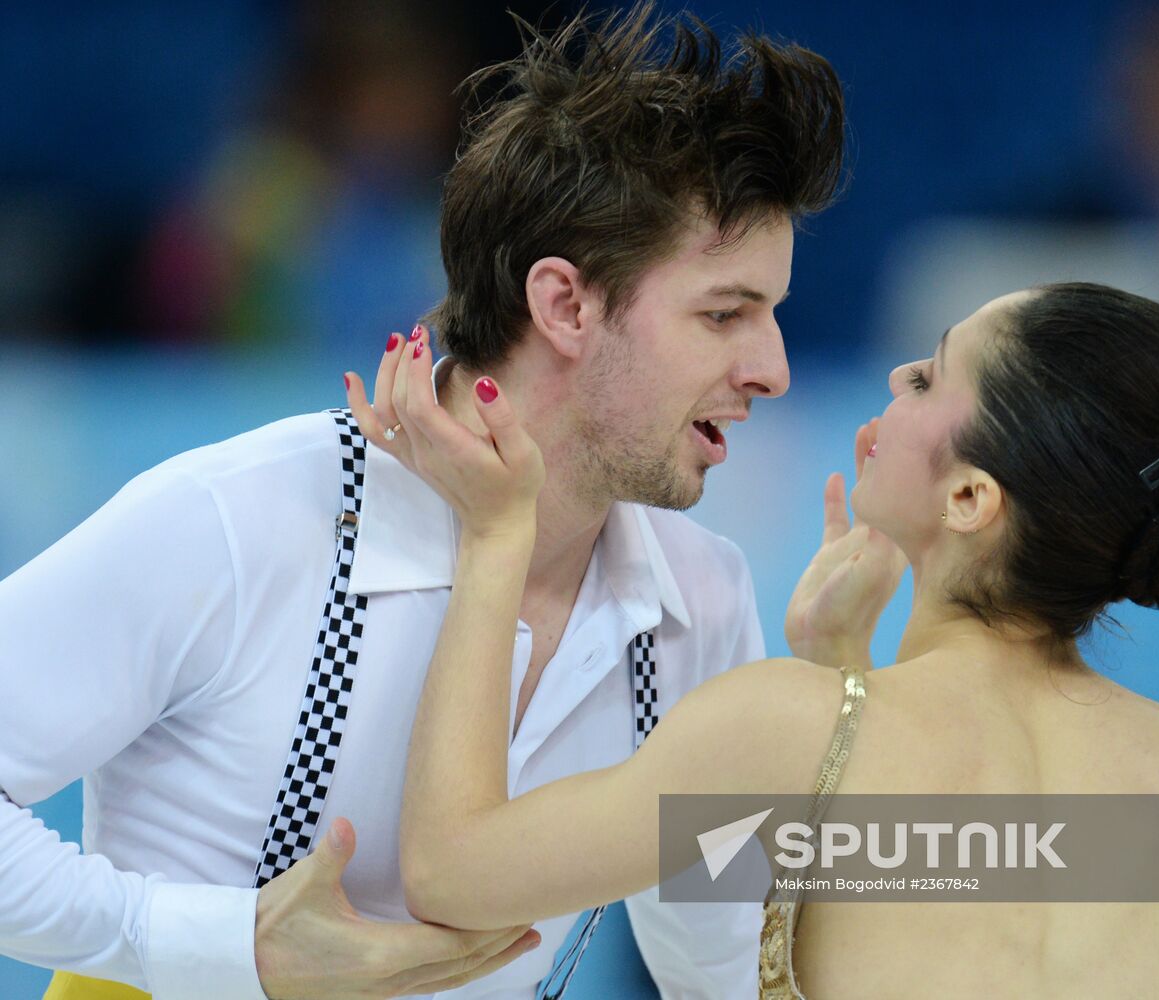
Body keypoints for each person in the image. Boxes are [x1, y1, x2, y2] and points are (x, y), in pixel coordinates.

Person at [0, 6, 845, 999]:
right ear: (565, 304)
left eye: (772, 314)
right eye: (723, 313)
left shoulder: (700, 602)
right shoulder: (243, 520)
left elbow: (736, 966)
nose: (774, 369)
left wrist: (845, 696)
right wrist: (219, 944)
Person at [355, 281, 1159, 999]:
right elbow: (956, 894)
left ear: (968, 500)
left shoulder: (782, 731)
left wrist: (494, 540)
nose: (893, 380)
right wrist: (841, 666)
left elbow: (449, 873)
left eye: (927, 377)